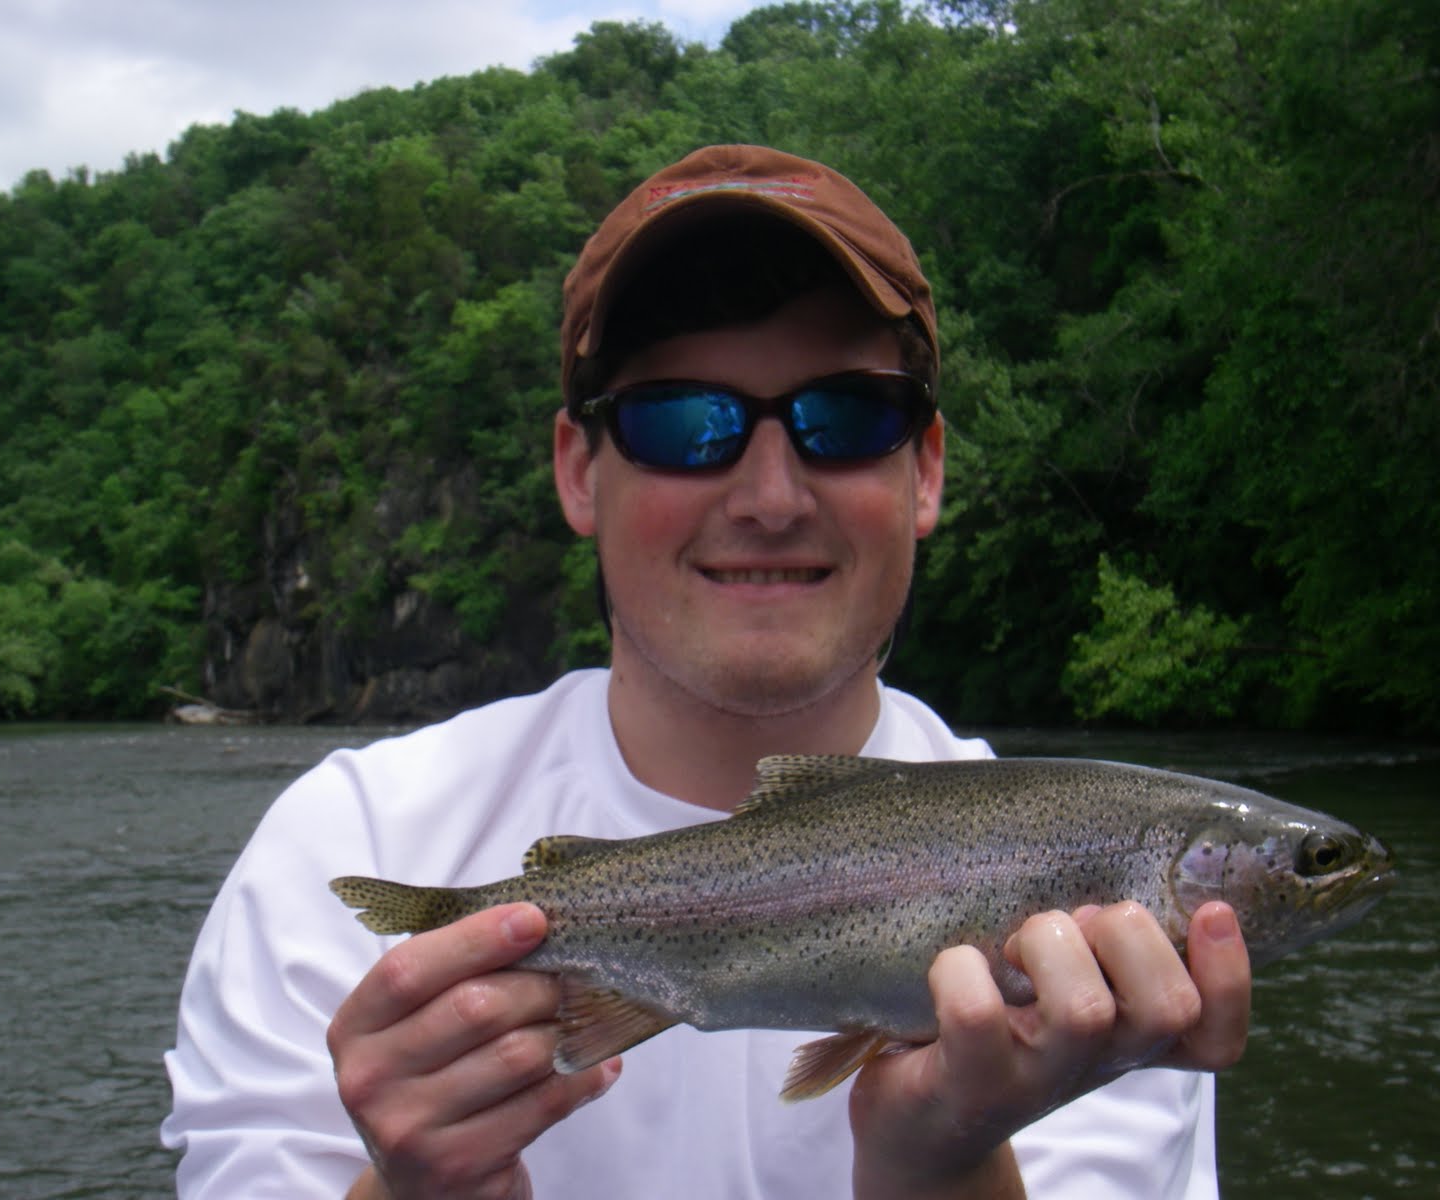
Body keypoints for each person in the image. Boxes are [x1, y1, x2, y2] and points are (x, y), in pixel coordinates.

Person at [161, 144, 1251, 1199]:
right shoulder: (340, 846)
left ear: (924, 471)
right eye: (685, 422)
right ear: (577, 473)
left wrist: (947, 1167)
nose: (770, 496)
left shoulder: (1105, 923)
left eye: (845, 416)